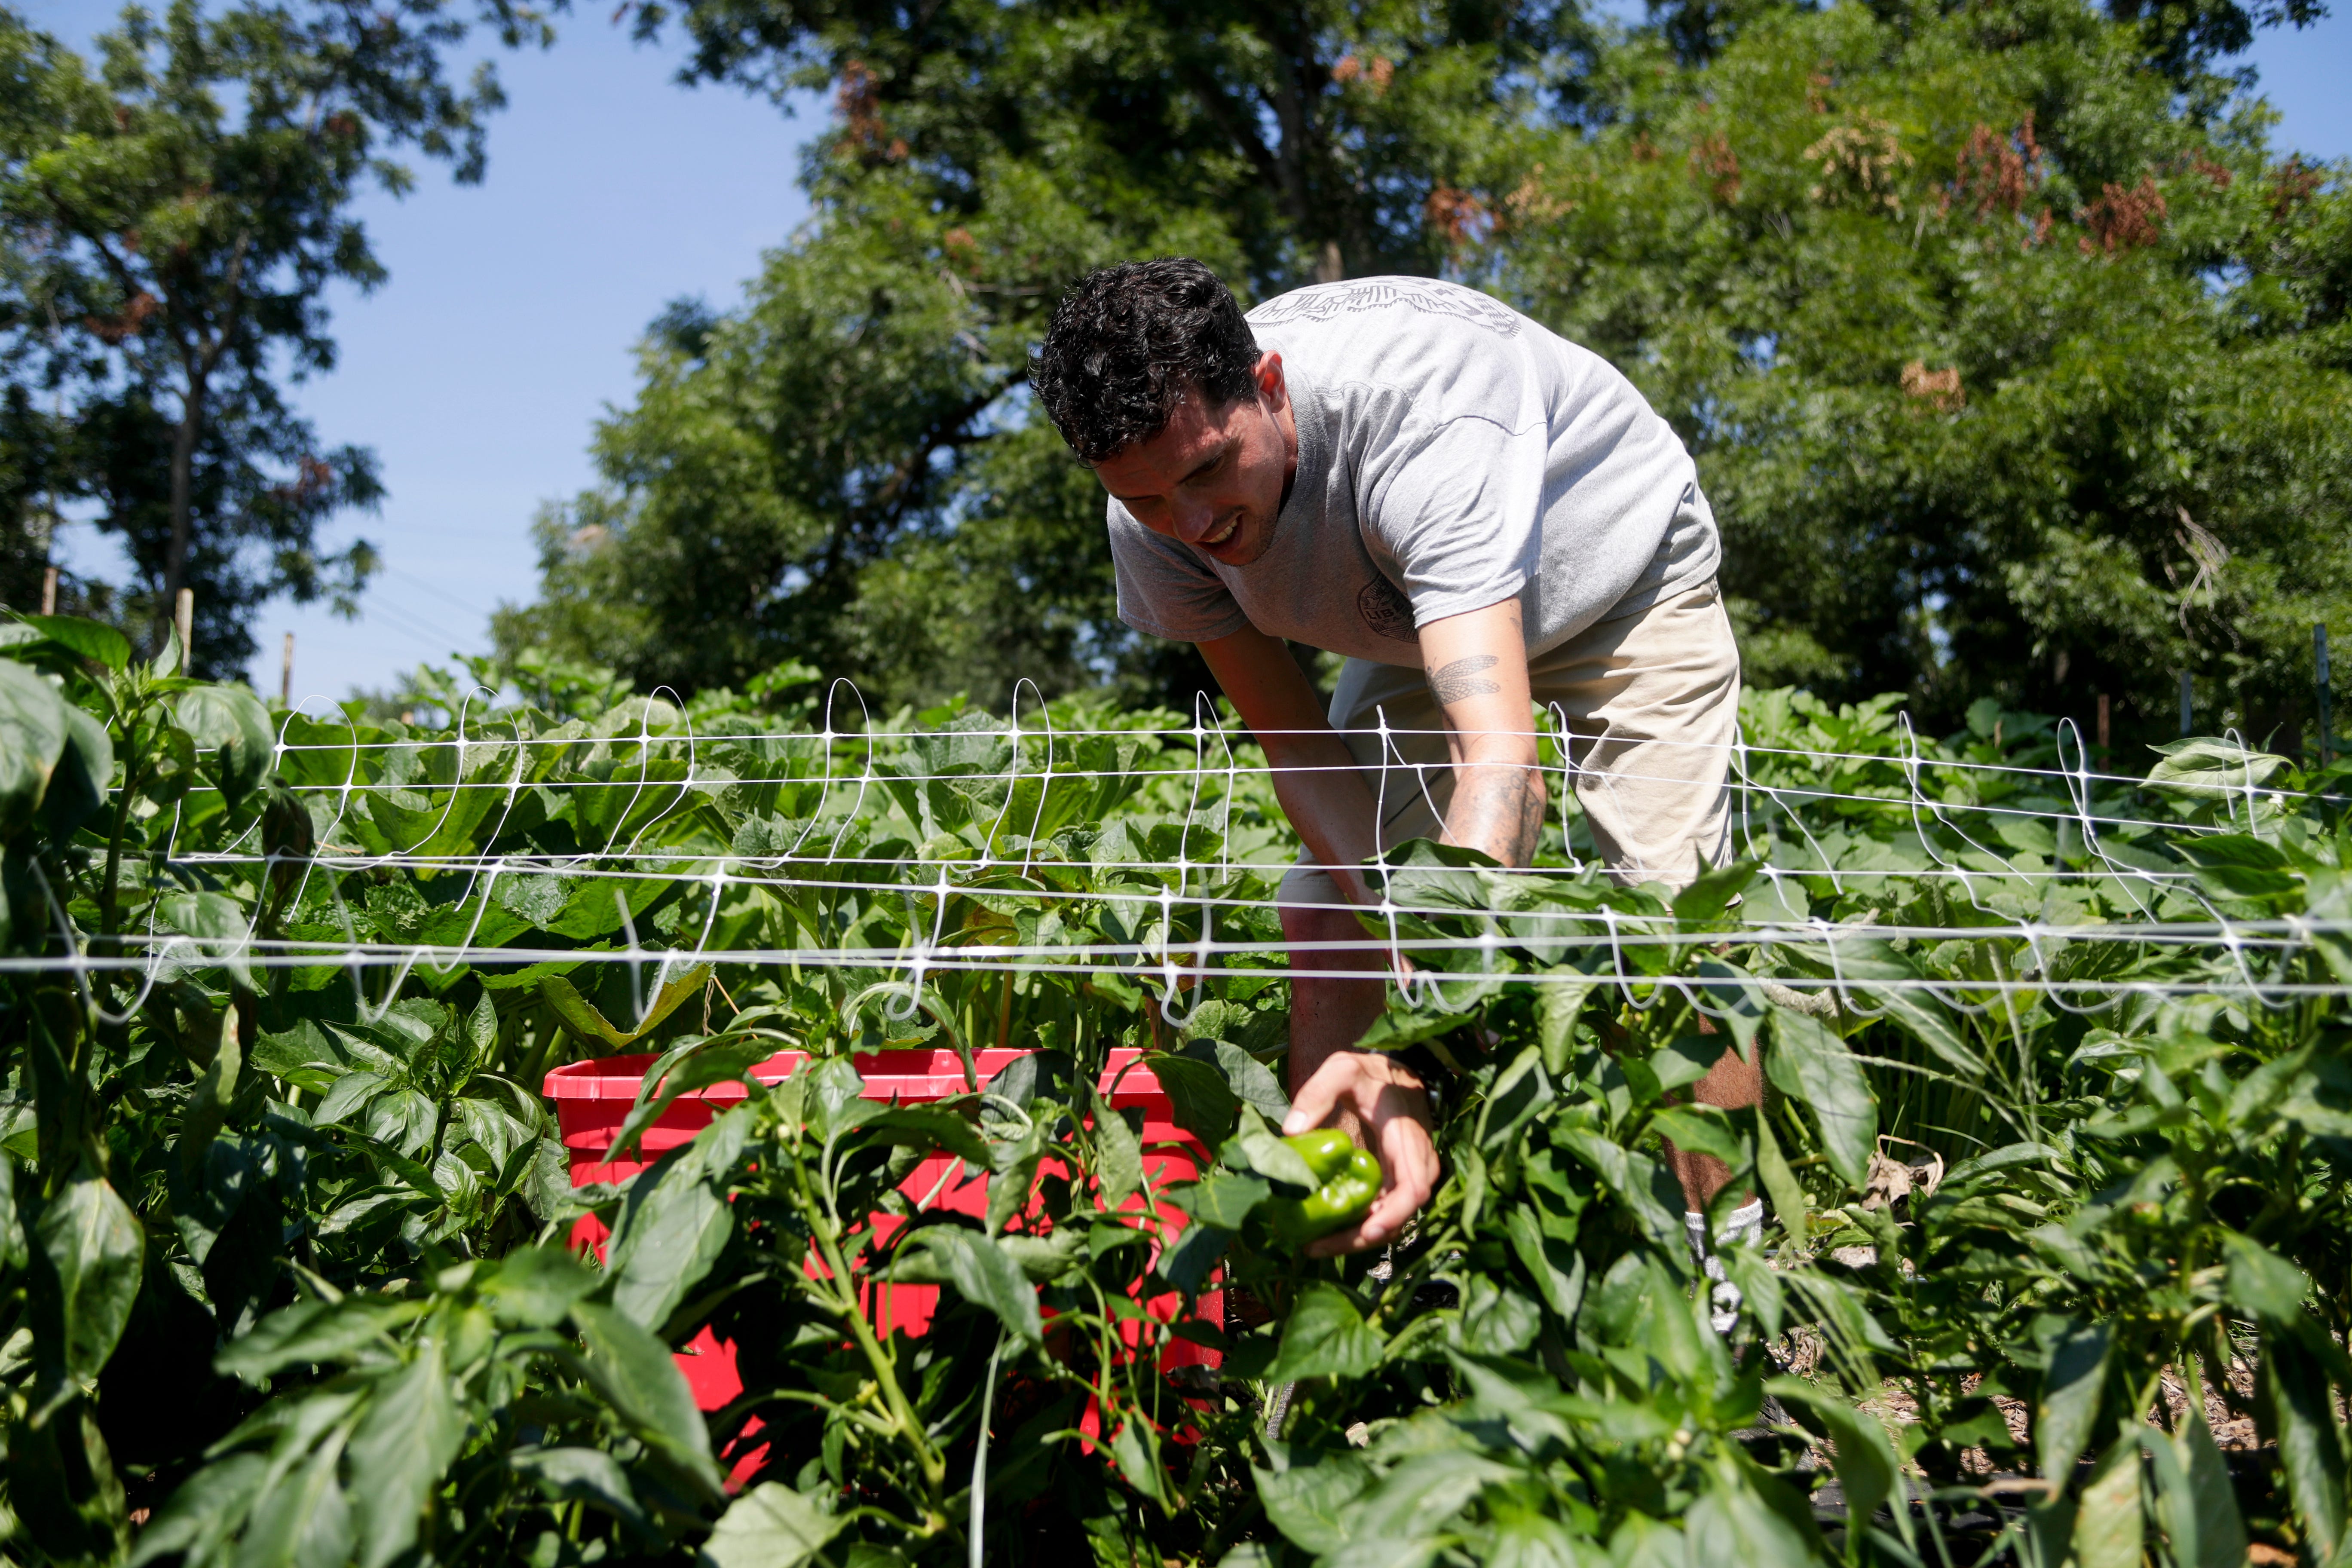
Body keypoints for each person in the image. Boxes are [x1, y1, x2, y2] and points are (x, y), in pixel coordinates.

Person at [1031, 259, 1761, 1274]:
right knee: (1329, 912)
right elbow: (1298, 745)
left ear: (1271, 389)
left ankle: (1726, 1278)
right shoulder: (1156, 526)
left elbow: (1501, 760)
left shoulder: (1423, 420)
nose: (1192, 525)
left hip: (1616, 581)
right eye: (1147, 498)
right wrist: (1388, 941)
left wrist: (1411, 1036)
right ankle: (1356, 1266)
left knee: (1673, 917)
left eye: (1206, 472)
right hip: (1423, 626)